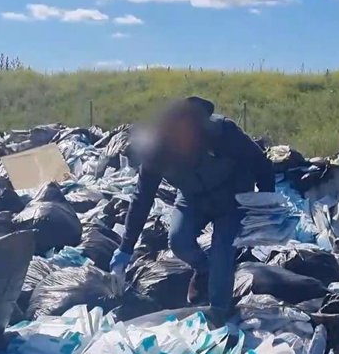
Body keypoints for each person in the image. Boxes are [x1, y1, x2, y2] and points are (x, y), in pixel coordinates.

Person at [109, 96, 274, 317]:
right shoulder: (157, 151)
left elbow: (261, 163)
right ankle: (202, 269)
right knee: (178, 240)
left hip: (232, 200)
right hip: (192, 198)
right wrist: (125, 247)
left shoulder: (223, 132)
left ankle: (219, 313)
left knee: (222, 254)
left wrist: (266, 206)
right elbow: (142, 197)